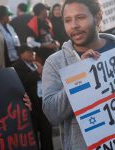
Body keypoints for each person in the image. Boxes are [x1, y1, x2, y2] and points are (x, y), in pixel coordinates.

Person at [42, 0, 115, 149]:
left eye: (80, 17)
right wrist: (79, 75)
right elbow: (52, 114)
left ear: (98, 18)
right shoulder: (54, 62)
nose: (74, 25)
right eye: (67, 20)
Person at [12, 44, 54, 150]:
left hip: (41, 103)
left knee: (46, 132)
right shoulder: (17, 66)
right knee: (33, 134)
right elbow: (22, 82)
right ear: (21, 54)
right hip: (29, 105)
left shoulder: (36, 64)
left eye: (33, 51)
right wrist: (37, 73)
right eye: (29, 51)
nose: (32, 53)